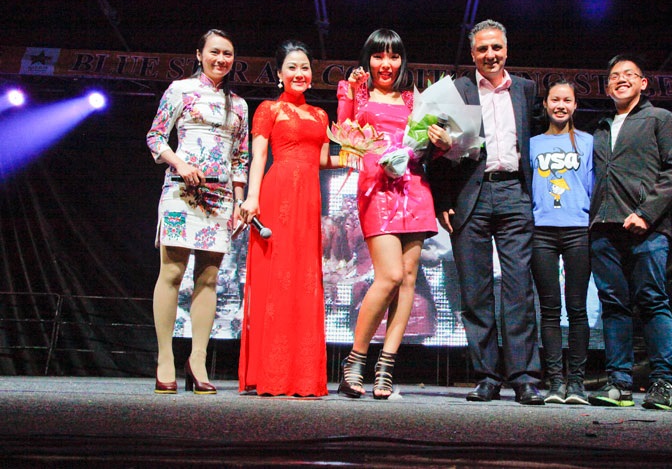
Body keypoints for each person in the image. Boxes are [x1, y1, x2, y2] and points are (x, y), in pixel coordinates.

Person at [428, 19, 545, 405]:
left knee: (518, 290)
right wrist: (442, 198)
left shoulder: (526, 89)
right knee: (475, 291)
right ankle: (487, 376)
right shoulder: (455, 91)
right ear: (473, 53)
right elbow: (434, 151)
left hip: (514, 193)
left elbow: (538, 141)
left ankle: (524, 377)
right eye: (482, 49)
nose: (490, 55)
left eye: (496, 48)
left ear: (506, 49)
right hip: (468, 196)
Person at [336, 29, 447, 399]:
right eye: (379, 56)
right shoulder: (355, 92)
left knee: (408, 280)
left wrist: (439, 143)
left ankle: (385, 369)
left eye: (394, 56)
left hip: (414, 189)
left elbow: (427, 150)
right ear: (368, 59)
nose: (387, 64)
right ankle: (354, 361)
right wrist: (351, 95)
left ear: (402, 60)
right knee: (389, 275)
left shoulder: (414, 99)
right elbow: (347, 138)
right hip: (376, 189)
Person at [146, 28, 249, 395]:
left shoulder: (238, 105)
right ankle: (164, 359)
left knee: (209, 280)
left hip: (220, 201)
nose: (221, 59)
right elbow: (156, 137)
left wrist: (239, 201)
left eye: (228, 54)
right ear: (199, 54)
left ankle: (198, 359)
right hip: (181, 193)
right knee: (172, 272)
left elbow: (240, 158)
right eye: (215, 52)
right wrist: (179, 163)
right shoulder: (180, 90)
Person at [238, 40, 341, 397]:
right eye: (292, 67)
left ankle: (300, 373)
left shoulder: (320, 116)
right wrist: (251, 198)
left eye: (305, 68)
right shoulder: (268, 109)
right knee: (277, 278)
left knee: (304, 277)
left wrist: (357, 156)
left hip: (309, 200)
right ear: (280, 75)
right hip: (277, 192)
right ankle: (271, 372)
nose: (300, 73)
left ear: (312, 76)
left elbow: (324, 160)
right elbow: (259, 155)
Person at [588, 54, 672, 410]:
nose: (621, 79)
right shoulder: (601, 127)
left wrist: (645, 213)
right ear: (607, 86)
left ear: (643, 83)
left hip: (647, 229)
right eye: (614, 75)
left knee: (651, 301)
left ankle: (663, 383)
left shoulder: (662, 119)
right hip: (603, 229)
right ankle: (619, 383)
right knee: (614, 307)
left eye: (629, 74)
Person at [529, 80, 593, 405]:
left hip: (578, 231)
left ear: (575, 105)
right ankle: (556, 383)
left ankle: (577, 384)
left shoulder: (589, 143)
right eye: (555, 99)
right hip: (541, 231)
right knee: (550, 310)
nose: (561, 105)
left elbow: (595, 188)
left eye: (567, 100)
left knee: (578, 309)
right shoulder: (532, 144)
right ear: (546, 104)